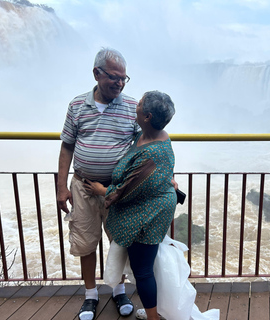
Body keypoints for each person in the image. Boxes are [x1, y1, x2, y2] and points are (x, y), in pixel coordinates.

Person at [57, 47, 137, 320]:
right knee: (86, 243)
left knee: (120, 243)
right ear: (96, 73)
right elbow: (67, 146)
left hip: (117, 191)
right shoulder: (77, 106)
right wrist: (61, 186)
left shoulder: (132, 108)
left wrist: (165, 174)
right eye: (114, 77)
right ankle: (91, 296)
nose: (119, 83)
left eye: (124, 78)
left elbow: (147, 145)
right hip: (82, 187)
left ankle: (118, 290)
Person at [84, 91, 177, 320]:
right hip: (149, 205)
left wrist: (100, 190)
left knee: (143, 271)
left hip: (148, 214)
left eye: (140, 103)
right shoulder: (150, 134)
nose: (136, 104)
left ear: (147, 116)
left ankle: (153, 317)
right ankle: (155, 310)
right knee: (145, 267)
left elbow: (126, 191)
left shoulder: (152, 152)